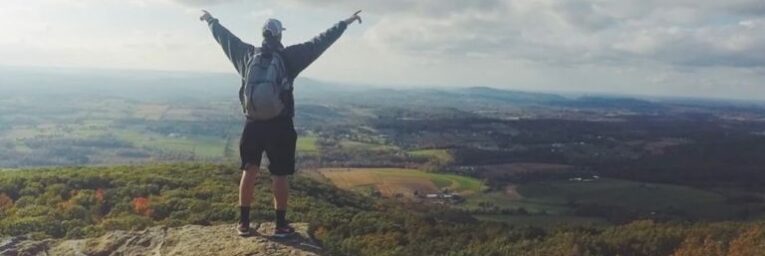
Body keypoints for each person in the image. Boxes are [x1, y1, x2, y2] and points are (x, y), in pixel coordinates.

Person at [199, 9, 362, 237]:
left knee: (249, 170)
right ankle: (280, 226)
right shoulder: (289, 57)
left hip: (253, 124)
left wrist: (210, 20)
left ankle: (244, 224)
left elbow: (224, 37)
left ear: (263, 34)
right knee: (280, 174)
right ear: (279, 36)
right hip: (280, 125)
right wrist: (345, 23)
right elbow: (320, 42)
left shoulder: (246, 55)